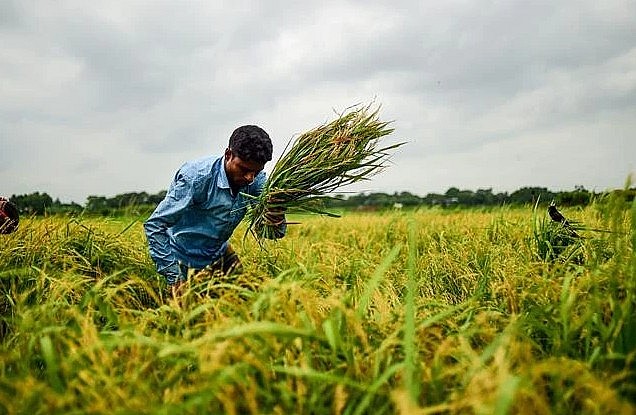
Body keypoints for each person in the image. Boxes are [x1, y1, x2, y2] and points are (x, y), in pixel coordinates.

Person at [144, 125, 286, 293]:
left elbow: (267, 233)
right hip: (182, 258)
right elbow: (154, 225)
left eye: (256, 171)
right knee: (188, 315)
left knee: (249, 300)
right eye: (244, 169)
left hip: (219, 252)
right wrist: (174, 278)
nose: (250, 178)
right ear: (228, 155)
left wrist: (276, 218)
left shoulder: (257, 180)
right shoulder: (196, 178)